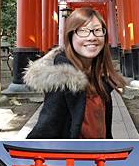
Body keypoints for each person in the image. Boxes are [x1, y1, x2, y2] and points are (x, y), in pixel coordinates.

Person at [24, 8, 126, 139]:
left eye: (97, 30)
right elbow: (45, 131)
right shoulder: (63, 79)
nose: (91, 37)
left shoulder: (99, 76)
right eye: (83, 31)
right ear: (70, 36)